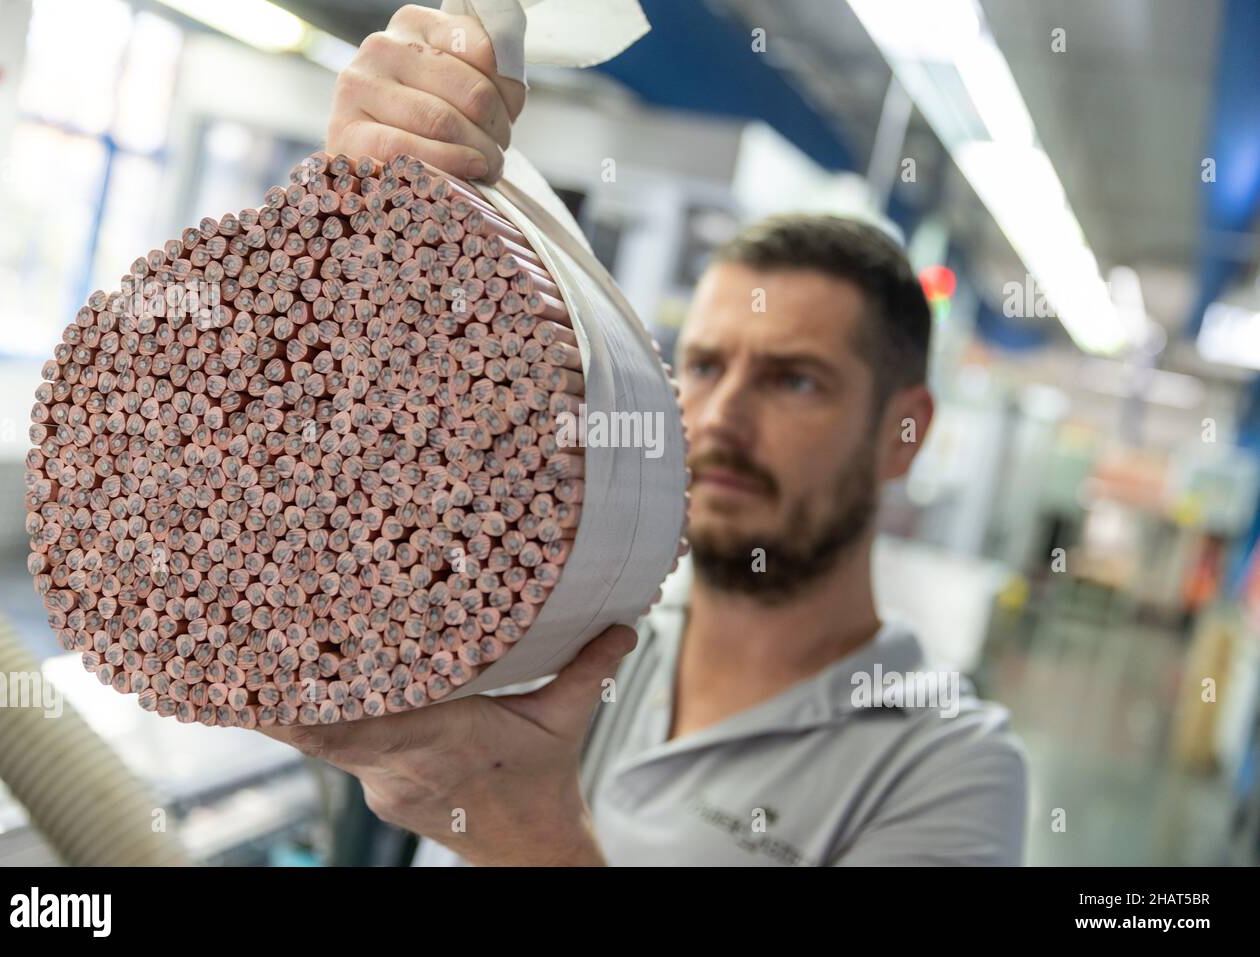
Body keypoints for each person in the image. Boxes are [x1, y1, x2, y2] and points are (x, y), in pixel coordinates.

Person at [261, 4, 1028, 866]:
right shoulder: (565, 628)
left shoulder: (943, 766)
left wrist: (524, 831)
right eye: (704, 367)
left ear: (904, 432)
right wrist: (367, 207)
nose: (723, 416)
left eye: (795, 379)